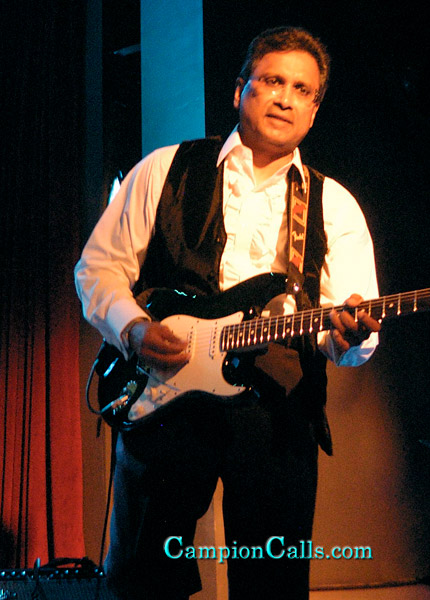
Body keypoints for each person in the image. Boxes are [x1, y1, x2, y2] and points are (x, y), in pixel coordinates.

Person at [75, 26, 381, 599]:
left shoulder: (333, 204)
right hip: (163, 398)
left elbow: (348, 329)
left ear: (314, 111)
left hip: (277, 413)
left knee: (272, 583)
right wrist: (133, 329)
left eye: (302, 90)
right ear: (240, 90)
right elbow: (98, 268)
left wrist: (348, 335)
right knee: (143, 578)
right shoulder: (165, 169)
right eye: (272, 81)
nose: (285, 98)